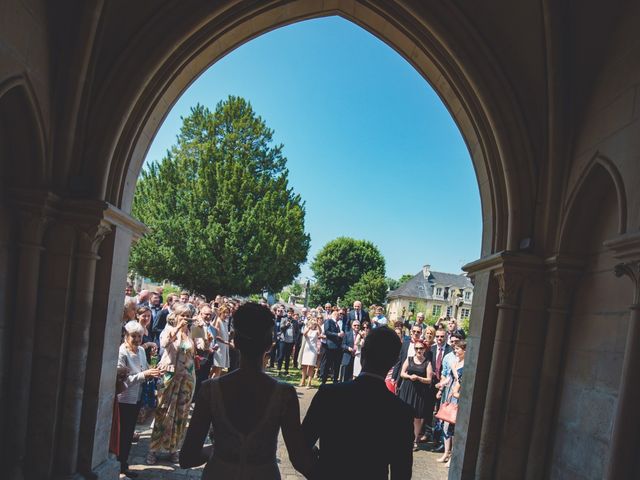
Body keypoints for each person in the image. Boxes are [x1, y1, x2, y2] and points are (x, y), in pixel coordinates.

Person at [179, 303, 314, 479]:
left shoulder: (210, 390)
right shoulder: (284, 394)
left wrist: (218, 449)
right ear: (269, 344)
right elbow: (299, 459)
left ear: (234, 340)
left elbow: (187, 457)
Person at [303, 327, 414, 479]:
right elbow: (402, 473)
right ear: (395, 362)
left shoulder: (329, 394)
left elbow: (301, 446)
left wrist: (317, 473)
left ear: (363, 354)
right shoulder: (401, 412)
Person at [147, 303, 196, 465]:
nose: (185, 319)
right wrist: (177, 329)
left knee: (181, 415)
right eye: (183, 315)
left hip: (187, 378)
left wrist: (205, 338)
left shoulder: (191, 332)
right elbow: (164, 344)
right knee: (163, 412)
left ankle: (173, 449)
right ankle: (153, 450)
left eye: (187, 315)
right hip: (169, 375)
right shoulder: (168, 329)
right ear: (176, 316)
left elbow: (200, 348)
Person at [118, 321, 162, 476]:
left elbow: (144, 370)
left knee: (129, 433)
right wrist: (145, 375)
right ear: (126, 335)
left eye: (139, 336)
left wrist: (153, 372)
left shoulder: (142, 351)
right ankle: (120, 465)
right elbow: (122, 381)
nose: (137, 339)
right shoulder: (122, 352)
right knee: (122, 434)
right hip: (125, 399)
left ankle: (123, 464)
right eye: (133, 336)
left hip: (138, 398)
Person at [397, 340, 433, 451]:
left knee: (417, 417)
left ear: (424, 349)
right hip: (407, 389)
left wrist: (419, 378)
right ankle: (401, 438)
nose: (418, 350)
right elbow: (402, 373)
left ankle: (414, 440)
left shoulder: (427, 363)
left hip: (420, 392)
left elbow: (429, 380)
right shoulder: (409, 360)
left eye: (421, 348)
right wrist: (409, 376)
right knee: (403, 414)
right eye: (416, 348)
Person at [437, 340, 466, 466]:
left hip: (458, 396)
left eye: (458, 349)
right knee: (445, 424)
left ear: (465, 351)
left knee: (453, 425)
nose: (456, 351)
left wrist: (454, 369)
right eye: (455, 349)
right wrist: (440, 386)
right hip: (450, 393)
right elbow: (449, 378)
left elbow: (459, 378)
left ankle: (453, 456)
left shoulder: (466, 364)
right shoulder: (456, 362)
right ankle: (446, 452)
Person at [319, 309, 344, 384]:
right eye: (338, 315)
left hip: (337, 347)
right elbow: (327, 332)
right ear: (335, 315)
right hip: (330, 347)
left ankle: (335, 380)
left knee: (336, 365)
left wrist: (341, 334)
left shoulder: (337, 324)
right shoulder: (329, 321)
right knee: (327, 364)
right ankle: (324, 380)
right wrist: (337, 334)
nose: (339, 316)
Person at [210, 305, 231, 378]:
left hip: (224, 347)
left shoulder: (225, 322)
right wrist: (226, 342)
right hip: (219, 347)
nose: (226, 314)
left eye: (227, 313)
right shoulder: (218, 321)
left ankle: (210, 383)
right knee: (217, 369)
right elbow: (216, 335)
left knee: (217, 369)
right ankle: (213, 385)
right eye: (224, 312)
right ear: (220, 312)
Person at [299, 316, 320, 388]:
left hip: (313, 350)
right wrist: (309, 327)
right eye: (312, 323)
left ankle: (309, 382)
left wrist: (318, 325)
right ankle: (303, 380)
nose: (313, 325)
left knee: (311, 366)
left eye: (313, 324)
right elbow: (304, 334)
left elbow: (320, 332)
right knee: (304, 365)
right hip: (306, 349)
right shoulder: (307, 329)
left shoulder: (316, 331)